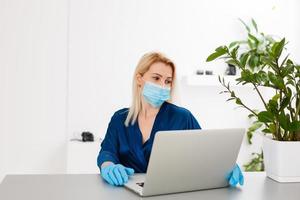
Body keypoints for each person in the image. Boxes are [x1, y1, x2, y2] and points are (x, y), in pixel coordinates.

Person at [97, 52, 244, 187]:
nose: (163, 86)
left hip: (170, 192)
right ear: (139, 79)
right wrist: (108, 166)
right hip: (126, 191)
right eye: (156, 78)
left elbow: (204, 154)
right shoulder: (119, 119)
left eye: (168, 81)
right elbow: (107, 152)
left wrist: (224, 165)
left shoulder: (182, 117)